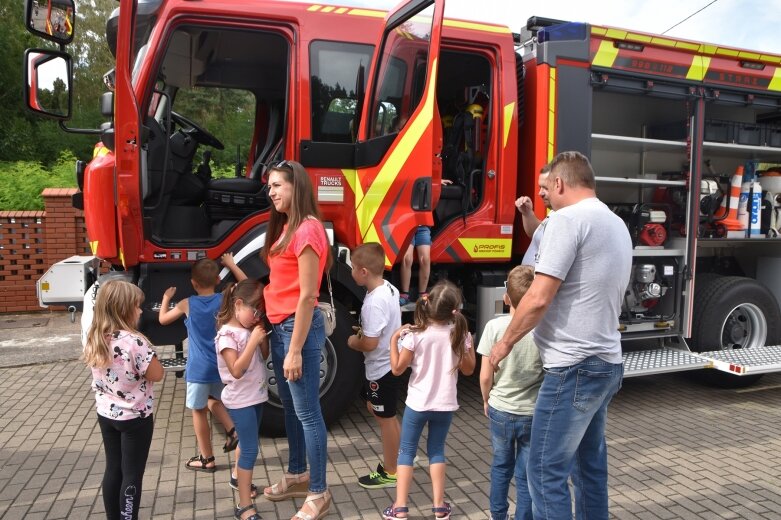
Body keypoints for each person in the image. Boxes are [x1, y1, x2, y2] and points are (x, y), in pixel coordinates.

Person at [489, 151, 632, 520]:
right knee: (588, 468)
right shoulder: (614, 222)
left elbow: (538, 297)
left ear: (560, 183)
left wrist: (503, 345)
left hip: (573, 367)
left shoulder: (566, 220)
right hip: (606, 362)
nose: (544, 197)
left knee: (542, 469)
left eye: (547, 189)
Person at [260, 159, 333, 520]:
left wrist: (293, 351)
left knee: (307, 413)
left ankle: (319, 492)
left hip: (296, 330)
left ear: (296, 186)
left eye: (277, 185)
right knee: (291, 409)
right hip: (282, 326)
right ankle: (297, 474)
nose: (271, 192)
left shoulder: (307, 229)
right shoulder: (288, 226)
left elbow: (307, 296)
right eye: (269, 186)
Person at [383, 280, 476, 520]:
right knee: (436, 451)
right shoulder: (459, 334)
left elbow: (396, 369)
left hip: (417, 404)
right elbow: (468, 370)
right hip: (445, 405)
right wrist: (468, 345)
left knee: (406, 452)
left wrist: (394, 340)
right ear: (455, 309)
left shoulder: (415, 335)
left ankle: (400, 507)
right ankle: (439, 507)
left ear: (428, 303)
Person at [82, 280, 164, 520]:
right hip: (135, 418)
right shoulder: (135, 342)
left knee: (113, 468)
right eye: (137, 306)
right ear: (123, 309)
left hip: (106, 414)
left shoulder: (96, 337)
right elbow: (157, 374)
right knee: (132, 474)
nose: (140, 311)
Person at [158, 258, 240, 475]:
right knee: (214, 400)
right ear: (217, 279)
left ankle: (207, 458)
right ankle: (233, 430)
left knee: (199, 410)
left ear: (193, 283)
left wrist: (166, 298)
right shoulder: (225, 299)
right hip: (220, 365)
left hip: (198, 369)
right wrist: (231, 264)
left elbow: (163, 320)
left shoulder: (187, 304)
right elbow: (246, 283)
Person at [478, 265, 542, 520]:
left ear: (506, 297)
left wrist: (486, 399)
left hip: (501, 410)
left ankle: (498, 515)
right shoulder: (542, 330)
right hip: (532, 412)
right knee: (525, 473)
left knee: (501, 467)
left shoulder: (494, 327)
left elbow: (485, 376)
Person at [346, 242, 403, 489]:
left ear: (364, 273)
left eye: (352, 268)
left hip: (381, 368)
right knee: (381, 412)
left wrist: (352, 341)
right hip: (388, 363)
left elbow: (369, 343)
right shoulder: (389, 288)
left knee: (385, 418)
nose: (350, 272)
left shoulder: (373, 303)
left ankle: (391, 471)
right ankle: (398, 459)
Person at [215, 278, 269, 520]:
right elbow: (236, 370)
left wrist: (261, 336)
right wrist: (253, 341)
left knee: (247, 444)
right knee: (249, 449)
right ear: (238, 304)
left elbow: (264, 355)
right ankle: (244, 506)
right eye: (255, 310)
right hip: (240, 400)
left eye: (261, 312)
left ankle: (240, 480)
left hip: (255, 396)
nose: (257, 316)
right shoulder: (227, 335)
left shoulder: (248, 329)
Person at [517, 164, 552, 266]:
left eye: (545, 187)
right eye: (540, 187)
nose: (540, 193)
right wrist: (527, 213)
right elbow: (537, 234)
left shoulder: (567, 217)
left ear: (559, 185)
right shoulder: (555, 212)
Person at [399, 225, 431, 306]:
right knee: (407, 259)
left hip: (423, 226)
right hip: (408, 224)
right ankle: (405, 295)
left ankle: (422, 294)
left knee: (425, 259)